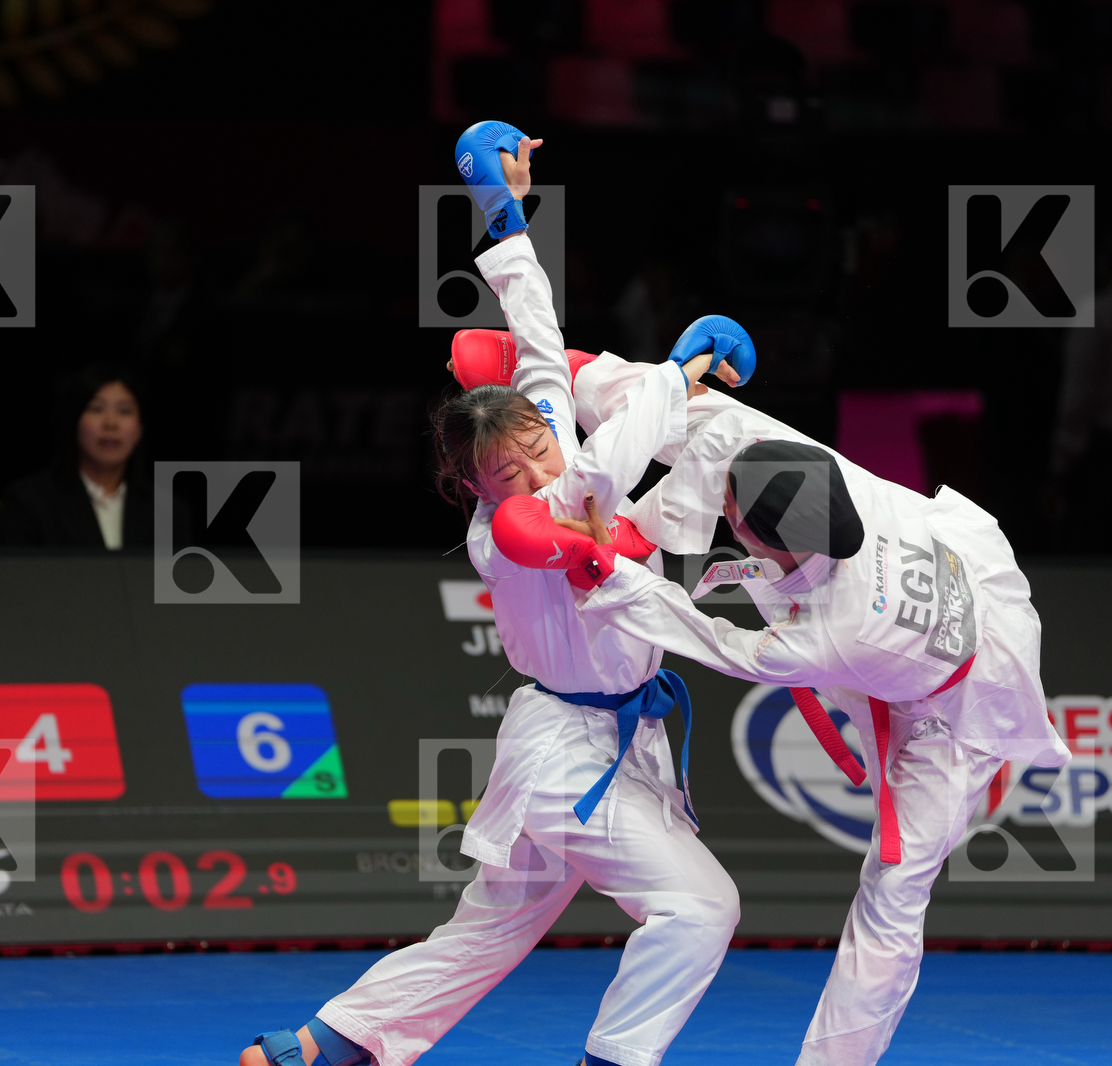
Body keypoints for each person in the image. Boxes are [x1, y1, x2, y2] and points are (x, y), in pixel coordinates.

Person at [241, 123, 741, 1066]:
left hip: (607, 740)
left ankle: (327, 1042)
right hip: (565, 760)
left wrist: (502, 203)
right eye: (501, 469)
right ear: (472, 486)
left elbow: (541, 331)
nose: (527, 466)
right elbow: (604, 469)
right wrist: (675, 376)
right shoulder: (510, 532)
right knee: (703, 905)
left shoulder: (548, 429)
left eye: (533, 446)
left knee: (488, 934)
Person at [513, 351, 1070, 1066]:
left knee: (894, 894)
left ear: (751, 532)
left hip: (952, 721)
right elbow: (732, 426)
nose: (723, 504)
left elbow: (709, 638)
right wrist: (582, 368)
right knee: (736, 431)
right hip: (959, 571)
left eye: (731, 510)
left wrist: (609, 575)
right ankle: (582, 368)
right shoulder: (833, 484)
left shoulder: (829, 631)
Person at [0, 364, 154, 549]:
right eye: (97, 409)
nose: (111, 423)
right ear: (74, 421)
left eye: (124, 411)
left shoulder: (168, 511)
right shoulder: (29, 503)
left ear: (140, 429)